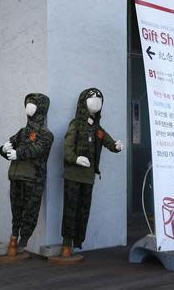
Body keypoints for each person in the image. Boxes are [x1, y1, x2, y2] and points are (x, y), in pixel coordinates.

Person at [60, 87, 123, 258]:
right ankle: (66, 243)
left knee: (83, 210)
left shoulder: (97, 129)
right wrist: (75, 159)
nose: (96, 100)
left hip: (88, 178)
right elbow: (67, 149)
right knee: (71, 209)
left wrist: (116, 146)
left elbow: (108, 141)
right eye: (92, 97)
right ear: (83, 101)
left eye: (99, 98)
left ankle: (77, 241)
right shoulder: (75, 125)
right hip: (73, 175)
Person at [0, 93, 54, 256]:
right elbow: (10, 144)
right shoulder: (22, 132)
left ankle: (23, 241)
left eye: (34, 104)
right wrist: (3, 149)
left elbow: (37, 149)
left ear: (42, 108)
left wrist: (18, 153)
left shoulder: (46, 134)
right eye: (28, 103)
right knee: (16, 209)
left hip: (33, 179)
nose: (29, 107)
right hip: (16, 176)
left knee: (30, 211)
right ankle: (14, 237)